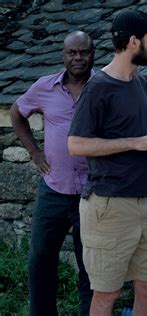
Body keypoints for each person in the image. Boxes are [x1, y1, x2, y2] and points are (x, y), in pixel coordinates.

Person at [67, 9, 147, 315]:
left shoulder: (138, 83)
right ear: (134, 41)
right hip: (108, 206)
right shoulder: (98, 87)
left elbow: (143, 127)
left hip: (142, 202)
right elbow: (76, 144)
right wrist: (138, 142)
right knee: (106, 295)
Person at [9, 31, 95, 316]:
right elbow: (17, 112)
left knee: (91, 266)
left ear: (93, 54)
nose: (78, 58)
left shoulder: (104, 87)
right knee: (40, 261)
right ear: (64, 55)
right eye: (72, 53)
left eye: (84, 52)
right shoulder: (44, 87)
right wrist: (34, 152)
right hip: (54, 189)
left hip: (92, 193)